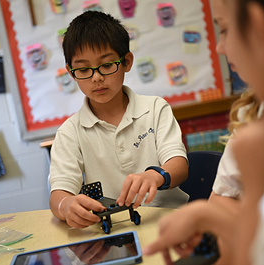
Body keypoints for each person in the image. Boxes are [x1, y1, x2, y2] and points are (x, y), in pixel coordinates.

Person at [143, 0, 264, 264]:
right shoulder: (255, 114)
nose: (219, 47)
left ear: (260, 30)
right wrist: (206, 216)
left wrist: (252, 192)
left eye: (225, 30)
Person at [49, 11, 189, 229]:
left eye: (106, 65)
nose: (96, 77)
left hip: (172, 221)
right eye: (84, 69)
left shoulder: (154, 109)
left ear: (127, 61)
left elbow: (179, 165)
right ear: (71, 72)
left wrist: (155, 176)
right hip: (115, 231)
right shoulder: (70, 132)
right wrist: (66, 206)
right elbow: (58, 194)